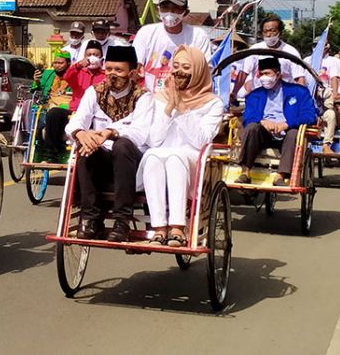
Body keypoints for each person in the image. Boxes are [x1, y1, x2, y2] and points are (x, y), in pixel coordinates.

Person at [138, 46, 224, 247]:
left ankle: (177, 227)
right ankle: (159, 229)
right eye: (175, 66)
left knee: (176, 156)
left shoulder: (213, 103)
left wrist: (182, 108)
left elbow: (202, 140)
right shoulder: (159, 97)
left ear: (199, 72)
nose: (179, 71)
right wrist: (169, 107)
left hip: (192, 160)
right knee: (152, 155)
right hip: (160, 156)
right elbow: (153, 140)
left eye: (186, 67)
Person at [66, 46, 153, 242]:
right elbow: (76, 121)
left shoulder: (143, 97)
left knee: (121, 145)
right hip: (103, 158)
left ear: (132, 73)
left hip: (132, 160)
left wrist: (110, 133)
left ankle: (122, 220)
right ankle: (90, 218)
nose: (112, 75)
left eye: (119, 71)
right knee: (85, 147)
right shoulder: (94, 92)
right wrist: (81, 134)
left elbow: (140, 133)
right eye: (109, 69)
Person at [235, 57, 317, 186]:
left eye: (267, 73)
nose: (263, 77)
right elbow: (248, 116)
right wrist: (262, 121)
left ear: (278, 74)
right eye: (261, 74)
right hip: (263, 135)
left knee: (294, 133)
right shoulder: (254, 95)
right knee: (251, 127)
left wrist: (287, 124)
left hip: (287, 133)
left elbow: (310, 115)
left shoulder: (299, 92)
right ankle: (245, 171)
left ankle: (281, 175)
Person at [132, 0, 212, 93]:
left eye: (176, 8)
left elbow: (204, 71)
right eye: (165, 8)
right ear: (158, 9)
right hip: (152, 98)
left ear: (186, 12)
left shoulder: (198, 36)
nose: (170, 13)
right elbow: (135, 65)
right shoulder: (146, 32)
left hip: (185, 99)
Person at [236, 15, 306, 97]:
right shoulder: (254, 50)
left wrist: (303, 98)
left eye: (273, 31)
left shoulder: (291, 52)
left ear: (280, 32)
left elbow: (299, 79)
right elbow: (243, 73)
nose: (269, 34)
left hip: (284, 98)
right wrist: (234, 93)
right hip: (259, 97)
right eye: (265, 31)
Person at [304, 41, 340, 153]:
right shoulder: (307, 60)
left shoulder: (333, 61)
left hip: (326, 92)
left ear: (327, 48)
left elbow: (334, 78)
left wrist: (336, 94)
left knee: (330, 113)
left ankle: (326, 145)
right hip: (308, 94)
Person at [31, 51, 73, 162]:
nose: (57, 65)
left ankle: (53, 152)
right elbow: (38, 88)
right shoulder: (48, 73)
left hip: (66, 106)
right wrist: (36, 81)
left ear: (68, 64)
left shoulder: (74, 74)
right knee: (38, 126)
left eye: (61, 63)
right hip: (48, 104)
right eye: (55, 62)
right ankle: (39, 152)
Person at [63, 40, 107, 111]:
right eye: (89, 55)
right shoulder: (78, 72)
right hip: (77, 110)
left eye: (96, 55)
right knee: (55, 113)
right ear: (84, 57)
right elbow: (67, 77)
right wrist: (78, 65)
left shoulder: (105, 75)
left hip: (97, 112)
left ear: (101, 58)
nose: (92, 57)